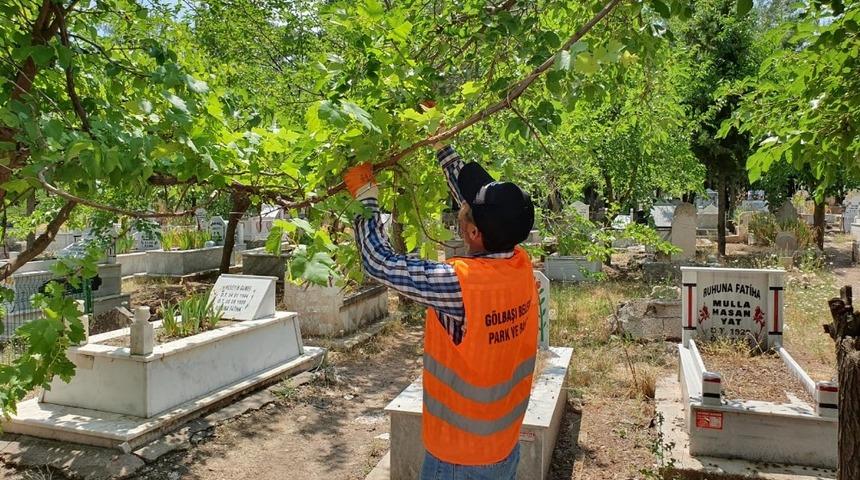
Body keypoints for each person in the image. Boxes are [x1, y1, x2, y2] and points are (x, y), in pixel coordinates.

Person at [343, 138, 539, 480]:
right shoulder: (520, 263)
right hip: (503, 446)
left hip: (459, 460)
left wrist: (366, 201)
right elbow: (473, 196)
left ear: (473, 231)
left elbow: (378, 262)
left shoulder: (459, 285)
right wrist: (439, 138)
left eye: (464, 212)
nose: (460, 208)